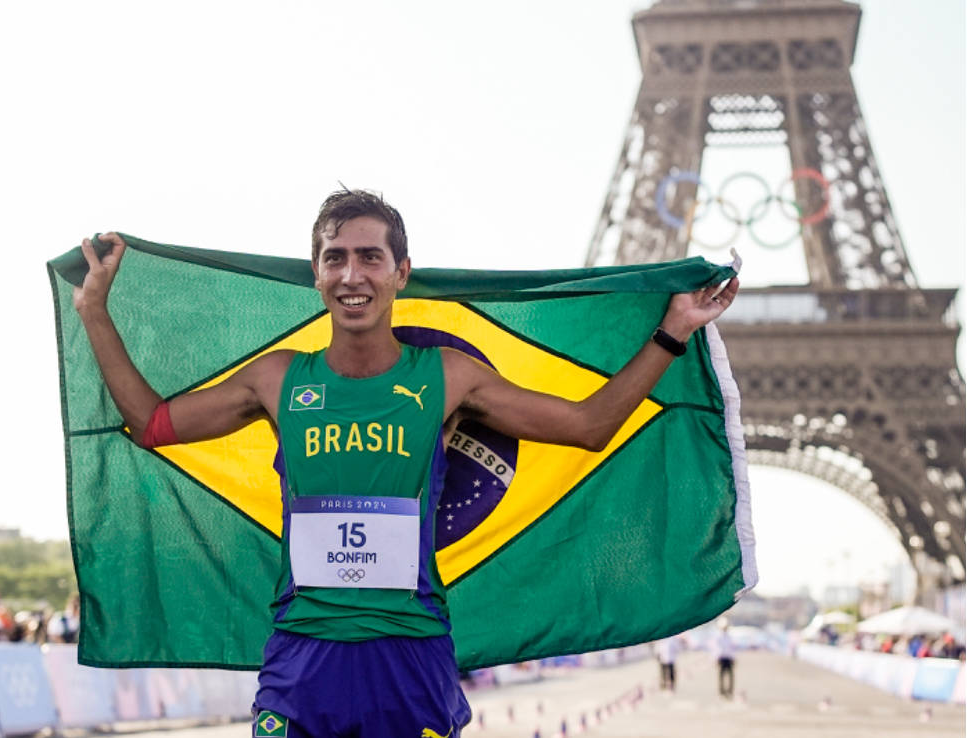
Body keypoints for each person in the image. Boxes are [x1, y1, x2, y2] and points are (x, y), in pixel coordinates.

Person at [74, 189, 738, 737]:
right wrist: (95, 313)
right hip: (303, 656)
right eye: (335, 258)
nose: (351, 273)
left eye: (370, 257)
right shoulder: (277, 381)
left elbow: (590, 427)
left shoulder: (448, 378)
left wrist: (671, 332)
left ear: (401, 272)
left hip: (408, 652)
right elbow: (154, 424)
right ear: (317, 273)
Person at [711, 617, 736, 699]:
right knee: (721, 676)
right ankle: (722, 692)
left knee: (730, 676)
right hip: (721, 658)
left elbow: (732, 648)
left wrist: (733, 657)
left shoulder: (729, 637)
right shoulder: (718, 637)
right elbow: (716, 648)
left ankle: (729, 691)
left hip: (728, 658)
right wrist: (716, 658)